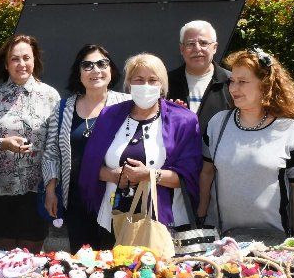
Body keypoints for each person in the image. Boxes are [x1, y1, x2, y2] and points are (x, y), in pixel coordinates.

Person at [78, 53, 202, 246]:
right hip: (113, 218)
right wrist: (112, 175)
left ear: (162, 85)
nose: (146, 86)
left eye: (153, 80)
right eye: (139, 79)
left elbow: (189, 175)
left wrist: (149, 175)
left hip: (161, 225)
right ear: (129, 83)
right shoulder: (109, 115)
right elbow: (90, 166)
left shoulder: (183, 120)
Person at [199, 47, 294, 238]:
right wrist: (200, 217)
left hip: (273, 240)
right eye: (232, 81)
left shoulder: (289, 130)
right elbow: (206, 172)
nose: (233, 88)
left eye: (242, 82)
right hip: (221, 238)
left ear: (265, 85)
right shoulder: (217, 123)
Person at [42, 44, 130, 252]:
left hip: (116, 199)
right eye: (87, 65)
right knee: (82, 260)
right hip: (77, 201)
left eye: (102, 63)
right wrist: (50, 191)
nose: (96, 70)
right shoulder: (63, 108)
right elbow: (52, 153)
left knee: (117, 260)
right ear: (79, 73)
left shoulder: (127, 104)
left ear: (111, 70)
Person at [0, 35, 60, 252]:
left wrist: (51, 190)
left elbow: (54, 147)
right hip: (0, 190)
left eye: (26, 57)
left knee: (31, 258)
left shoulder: (50, 96)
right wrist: (2, 143)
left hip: (35, 189)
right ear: (6, 64)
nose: (21, 64)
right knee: (1, 257)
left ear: (34, 60)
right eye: (15, 59)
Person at [167, 20, 232, 131]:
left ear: (215, 47)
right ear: (181, 49)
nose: (197, 49)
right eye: (190, 44)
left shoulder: (231, 82)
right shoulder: (166, 82)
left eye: (203, 43)